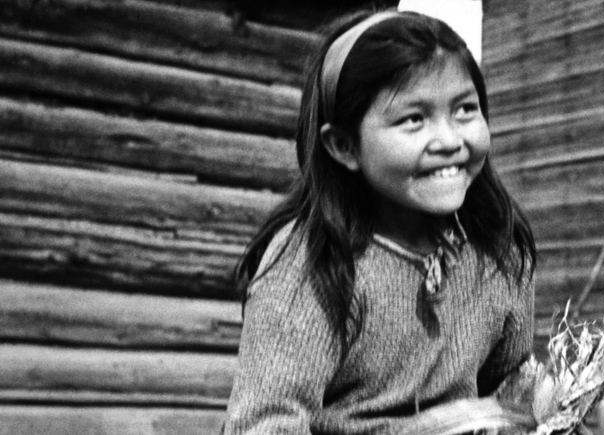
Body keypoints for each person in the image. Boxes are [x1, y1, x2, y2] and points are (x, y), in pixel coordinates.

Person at [222, 8, 537, 435]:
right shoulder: (314, 266)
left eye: (465, 109)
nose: (449, 140)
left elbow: (511, 393)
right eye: (414, 119)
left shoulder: (497, 249)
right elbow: (263, 426)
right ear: (344, 146)